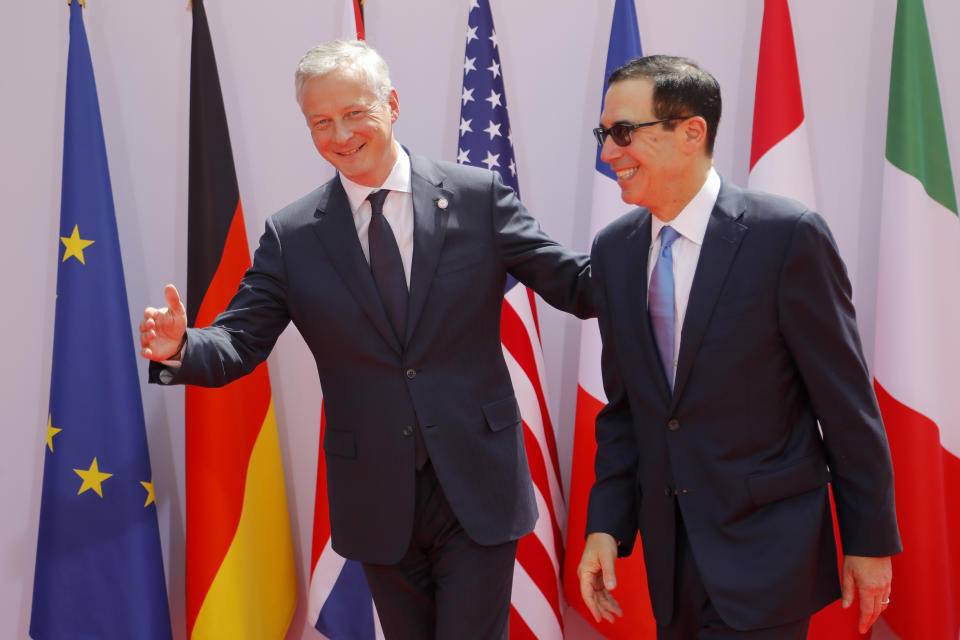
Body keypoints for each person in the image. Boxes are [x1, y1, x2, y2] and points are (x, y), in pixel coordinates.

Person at [140, 39, 592, 639]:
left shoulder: (477, 198)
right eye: (321, 122)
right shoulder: (293, 235)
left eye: (355, 113)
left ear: (392, 104)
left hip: (477, 480)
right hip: (375, 492)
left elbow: (572, 283)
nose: (341, 135)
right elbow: (239, 341)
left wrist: (654, 237)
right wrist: (181, 348)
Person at [576, 55, 901, 639]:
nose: (608, 153)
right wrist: (606, 525)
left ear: (690, 132)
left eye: (624, 133)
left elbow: (846, 405)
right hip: (671, 561)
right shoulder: (614, 251)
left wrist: (870, 543)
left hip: (767, 553)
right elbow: (627, 408)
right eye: (605, 134)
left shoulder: (787, 236)